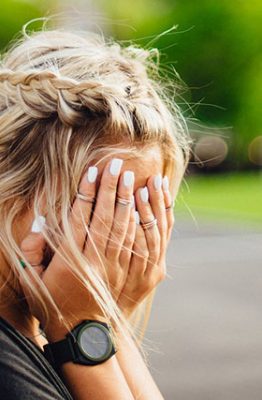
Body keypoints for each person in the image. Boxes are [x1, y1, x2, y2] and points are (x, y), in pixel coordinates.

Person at [0, 25, 190, 399]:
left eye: (142, 211)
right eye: (102, 205)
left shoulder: (35, 324)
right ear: (11, 192)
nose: (125, 242)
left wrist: (104, 322)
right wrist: (80, 328)